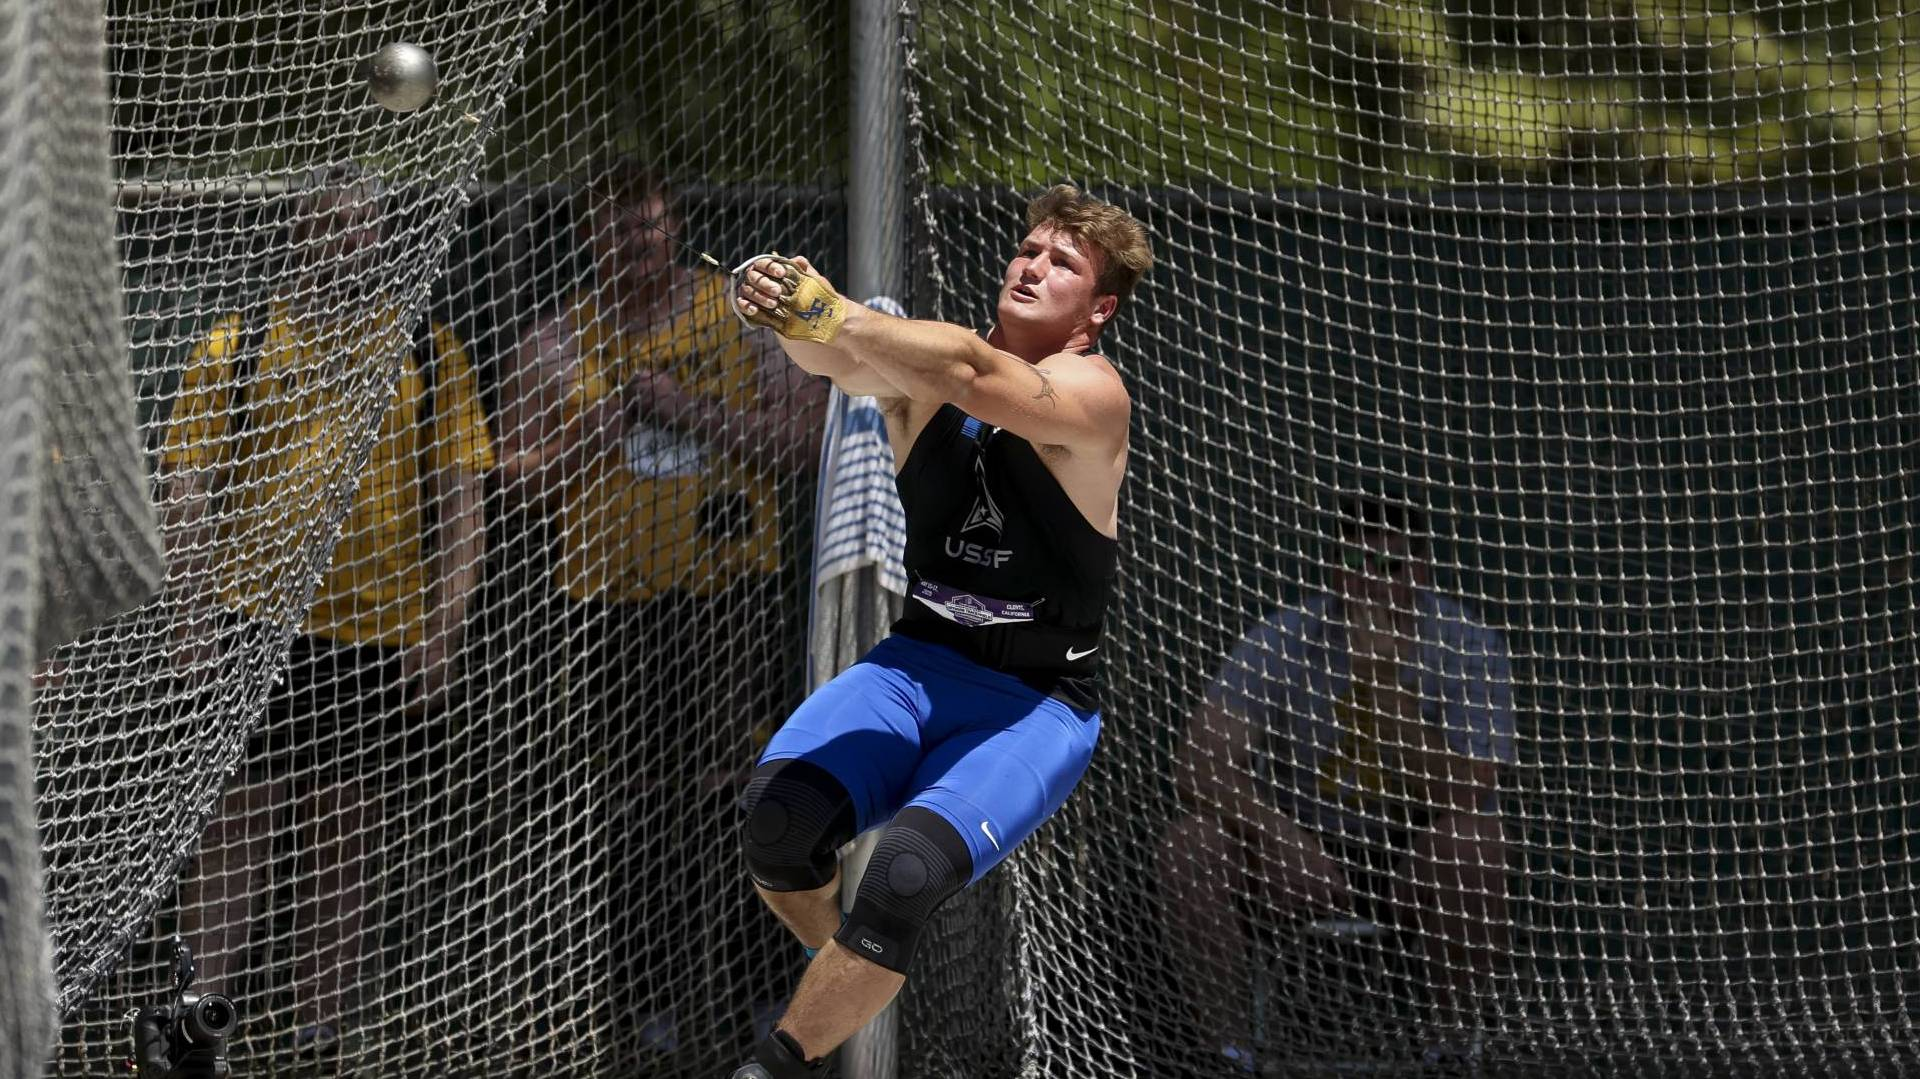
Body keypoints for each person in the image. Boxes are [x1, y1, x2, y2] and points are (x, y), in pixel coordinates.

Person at [727, 184, 1154, 1078]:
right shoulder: (922, 373)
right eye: (1029, 250)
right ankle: (841, 964)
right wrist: (779, 309)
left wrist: (834, 312)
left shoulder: (1091, 394)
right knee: (778, 826)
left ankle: (776, 1064)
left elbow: (968, 371)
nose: (1034, 266)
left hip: (1032, 703)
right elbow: (836, 367)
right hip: (915, 665)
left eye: (1063, 264)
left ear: (1099, 309)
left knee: (907, 874)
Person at [493, 162, 828, 1062]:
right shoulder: (556, 340)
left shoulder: (739, 314)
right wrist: (593, 433)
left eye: (650, 227)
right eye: (617, 229)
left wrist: (693, 411)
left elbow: (803, 440)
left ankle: (755, 1001)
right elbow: (512, 480)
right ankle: (647, 1017)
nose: (636, 243)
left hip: (729, 595)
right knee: (640, 811)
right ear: (589, 237)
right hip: (612, 605)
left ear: (675, 229)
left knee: (746, 793)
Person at [160, 163, 494, 1054]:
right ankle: (198, 1021)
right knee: (235, 825)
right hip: (249, 622)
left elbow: (464, 501)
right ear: (301, 231)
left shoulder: (424, 347)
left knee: (345, 835)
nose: (356, 242)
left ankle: (320, 1031)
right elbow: (187, 489)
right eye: (336, 225)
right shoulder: (238, 343)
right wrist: (192, 620)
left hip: (378, 634)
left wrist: (442, 628)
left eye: (367, 227)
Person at [1161, 494, 1515, 1069]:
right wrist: (1280, 836)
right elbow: (1198, 763)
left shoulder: (1467, 645)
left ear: (1420, 571)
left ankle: (1451, 1048)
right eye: (1356, 565)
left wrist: (1380, 683)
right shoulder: (1287, 637)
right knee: (1190, 846)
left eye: (1392, 568)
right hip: (1302, 846)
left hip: (1413, 852)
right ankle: (1227, 1052)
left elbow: (1465, 791)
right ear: (1334, 571)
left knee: (1475, 842)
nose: (1372, 584)